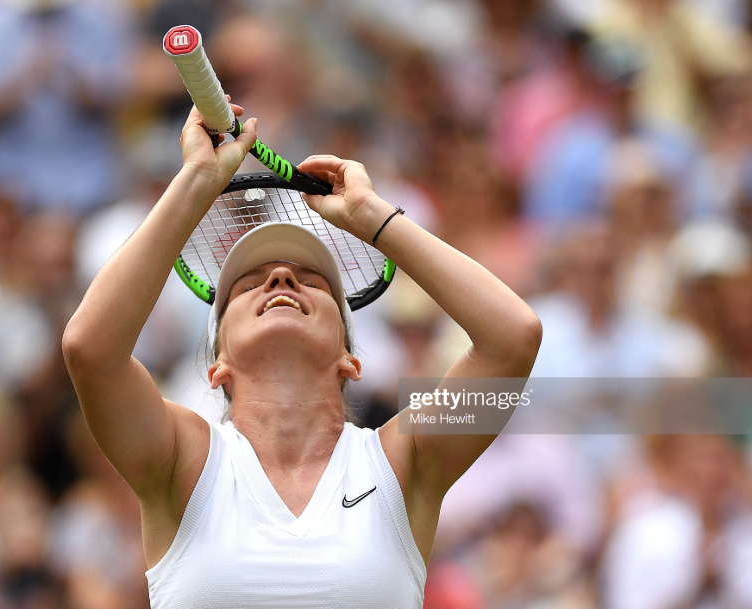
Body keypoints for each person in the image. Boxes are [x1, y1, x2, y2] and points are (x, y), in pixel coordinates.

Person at [62, 101, 542, 607]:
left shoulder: (406, 461)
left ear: (350, 360)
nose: (281, 278)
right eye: (248, 284)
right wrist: (196, 180)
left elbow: (514, 338)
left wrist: (372, 217)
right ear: (216, 364)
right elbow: (89, 349)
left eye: (313, 281)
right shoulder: (182, 457)